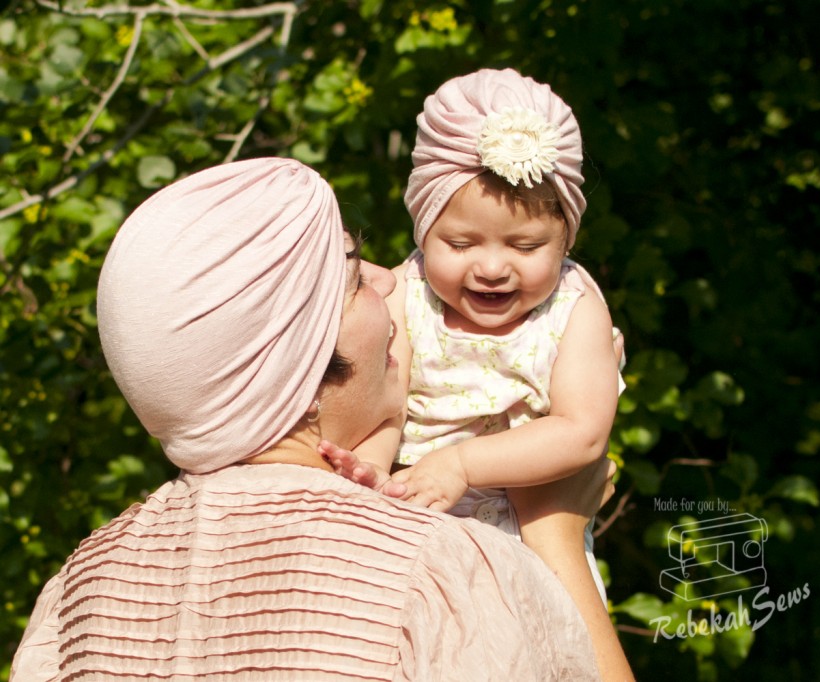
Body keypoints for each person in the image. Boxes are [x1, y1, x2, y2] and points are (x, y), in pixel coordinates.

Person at [10, 157, 615, 681]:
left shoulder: (80, 589)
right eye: (353, 281)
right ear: (290, 368)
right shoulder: (437, 570)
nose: (387, 278)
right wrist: (555, 534)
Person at [320, 68, 633, 681]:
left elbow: (582, 433)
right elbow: (390, 403)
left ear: (566, 236)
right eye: (460, 244)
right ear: (422, 229)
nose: (492, 268)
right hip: (414, 516)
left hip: (529, 528)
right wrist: (377, 471)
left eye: (525, 247)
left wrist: (464, 465)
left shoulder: (575, 307)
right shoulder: (408, 293)